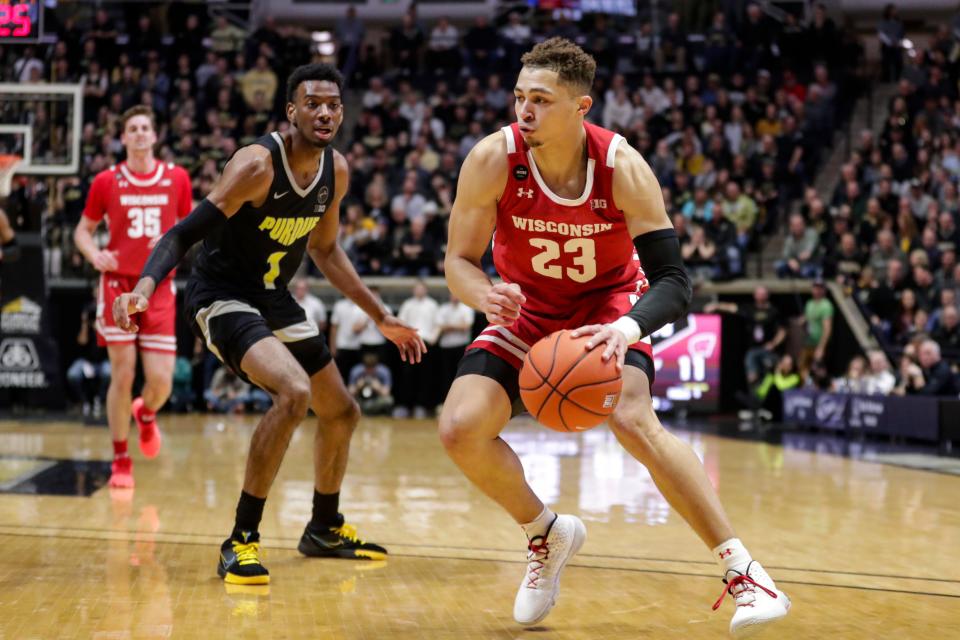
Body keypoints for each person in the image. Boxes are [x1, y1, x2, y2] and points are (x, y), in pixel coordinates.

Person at [440, 38, 789, 637]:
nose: (524, 111)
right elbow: (458, 261)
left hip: (608, 308)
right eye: (520, 97)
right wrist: (482, 294)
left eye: (541, 100)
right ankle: (544, 533)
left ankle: (746, 575)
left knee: (632, 418)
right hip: (527, 312)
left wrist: (627, 327)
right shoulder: (492, 159)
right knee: (459, 428)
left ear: (582, 107)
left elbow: (675, 281)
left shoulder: (622, 167)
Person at [112, 64, 425, 585]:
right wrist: (144, 287)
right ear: (292, 111)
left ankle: (324, 527)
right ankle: (241, 538)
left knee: (342, 412)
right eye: (312, 103)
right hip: (220, 296)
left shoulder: (336, 171)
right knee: (292, 391)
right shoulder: (256, 166)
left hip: (272, 299)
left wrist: (381, 314)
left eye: (332, 104)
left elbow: (326, 250)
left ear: (342, 112)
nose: (324, 112)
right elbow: (182, 234)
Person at [73, 106, 193, 489]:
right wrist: (95, 256)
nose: (140, 133)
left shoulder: (177, 178)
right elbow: (82, 231)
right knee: (122, 374)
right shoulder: (106, 181)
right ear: (123, 138)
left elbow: (190, 229)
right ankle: (121, 459)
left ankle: (146, 414)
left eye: (145, 127)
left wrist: (174, 241)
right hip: (117, 286)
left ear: (155, 136)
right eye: (132, 129)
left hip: (158, 287)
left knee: (161, 383)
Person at [347, 350, 394, 415]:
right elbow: (349, 393)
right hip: (360, 400)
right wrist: (358, 387)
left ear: (376, 366)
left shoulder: (384, 372)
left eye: (372, 368)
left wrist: (378, 387)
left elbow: (386, 393)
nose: (369, 371)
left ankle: (379, 414)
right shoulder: (356, 371)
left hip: (376, 400)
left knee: (388, 400)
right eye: (367, 368)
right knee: (347, 401)